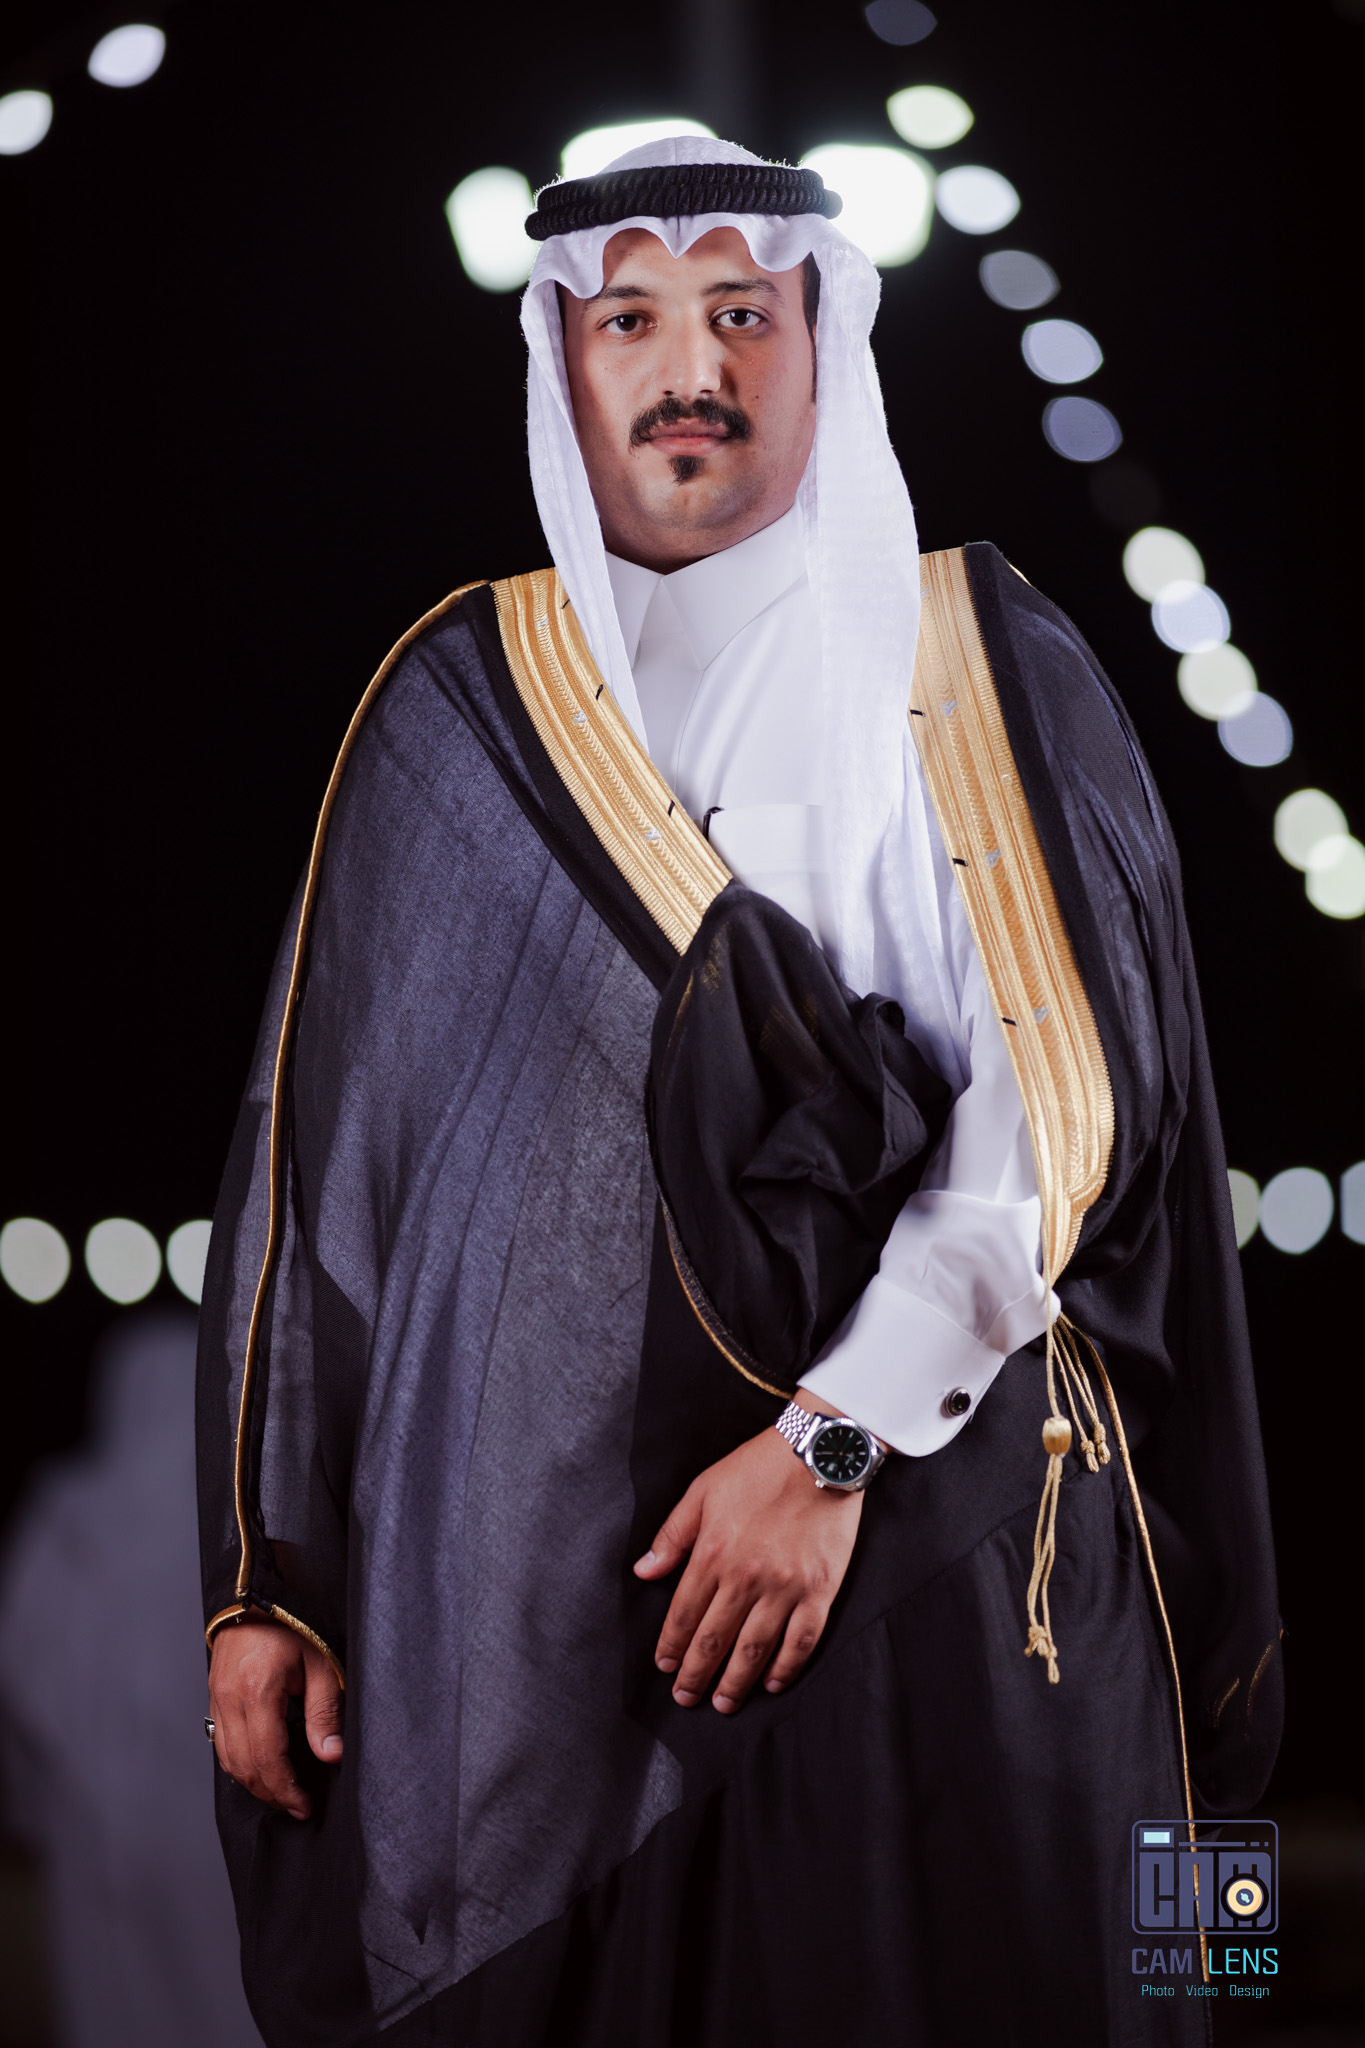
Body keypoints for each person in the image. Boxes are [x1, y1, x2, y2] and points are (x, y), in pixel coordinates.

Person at [197, 138, 1282, 2047]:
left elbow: (1065, 1094)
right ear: (564, 354)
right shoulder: (459, 701)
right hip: (550, 1606)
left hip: (939, 1543)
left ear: (820, 341)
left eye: (737, 315)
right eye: (630, 319)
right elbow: (328, 1186)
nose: (686, 367)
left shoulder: (975, 655)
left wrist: (829, 1444)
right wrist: (272, 1577)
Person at [0, 1309, 262, 2048]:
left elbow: (20, 1670)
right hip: (224, 1825)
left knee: (120, 1997)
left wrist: (37, 1798)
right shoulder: (243, 1530)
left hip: (95, 1822)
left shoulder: (70, 1518)